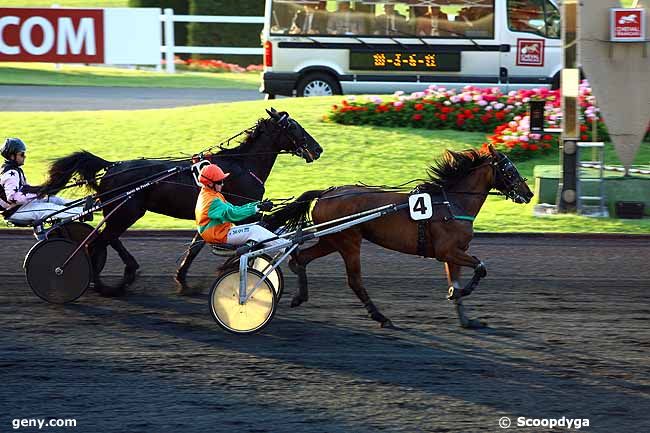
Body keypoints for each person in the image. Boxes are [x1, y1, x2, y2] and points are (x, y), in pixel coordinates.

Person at [195, 164, 290, 250]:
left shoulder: (210, 193)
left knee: (258, 225)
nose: (222, 184)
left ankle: (284, 241)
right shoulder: (212, 201)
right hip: (219, 236)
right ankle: (287, 248)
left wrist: (257, 205)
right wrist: (257, 208)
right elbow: (234, 214)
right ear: (210, 183)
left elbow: (234, 208)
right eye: (220, 182)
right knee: (256, 230)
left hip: (219, 232)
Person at [1, 138, 83, 225]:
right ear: (12, 156)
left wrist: (40, 191)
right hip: (14, 212)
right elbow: (12, 198)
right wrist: (37, 193)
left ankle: (83, 205)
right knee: (49, 208)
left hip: (20, 206)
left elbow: (24, 190)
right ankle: (83, 211)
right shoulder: (11, 173)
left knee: (52, 199)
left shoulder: (14, 169)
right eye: (22, 154)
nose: (25, 156)